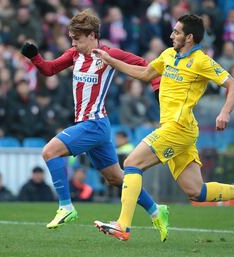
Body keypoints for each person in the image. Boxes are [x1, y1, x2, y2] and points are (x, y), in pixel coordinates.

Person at [92, 14, 234, 241]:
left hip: (179, 128)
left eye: (177, 32)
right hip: (179, 130)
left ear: (189, 37)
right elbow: (144, 73)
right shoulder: (169, 54)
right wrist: (110, 59)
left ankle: (123, 225)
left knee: (132, 163)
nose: (172, 35)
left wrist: (225, 111)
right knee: (196, 191)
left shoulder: (201, 61)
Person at [20, 9, 168, 241]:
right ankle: (157, 210)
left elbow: (146, 65)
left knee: (49, 151)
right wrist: (35, 57)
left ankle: (66, 207)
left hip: (94, 124)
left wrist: (157, 87)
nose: (73, 43)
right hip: (94, 124)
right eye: (71, 38)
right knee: (117, 178)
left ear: (92, 35)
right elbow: (49, 70)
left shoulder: (108, 54)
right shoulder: (74, 54)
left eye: (77, 38)